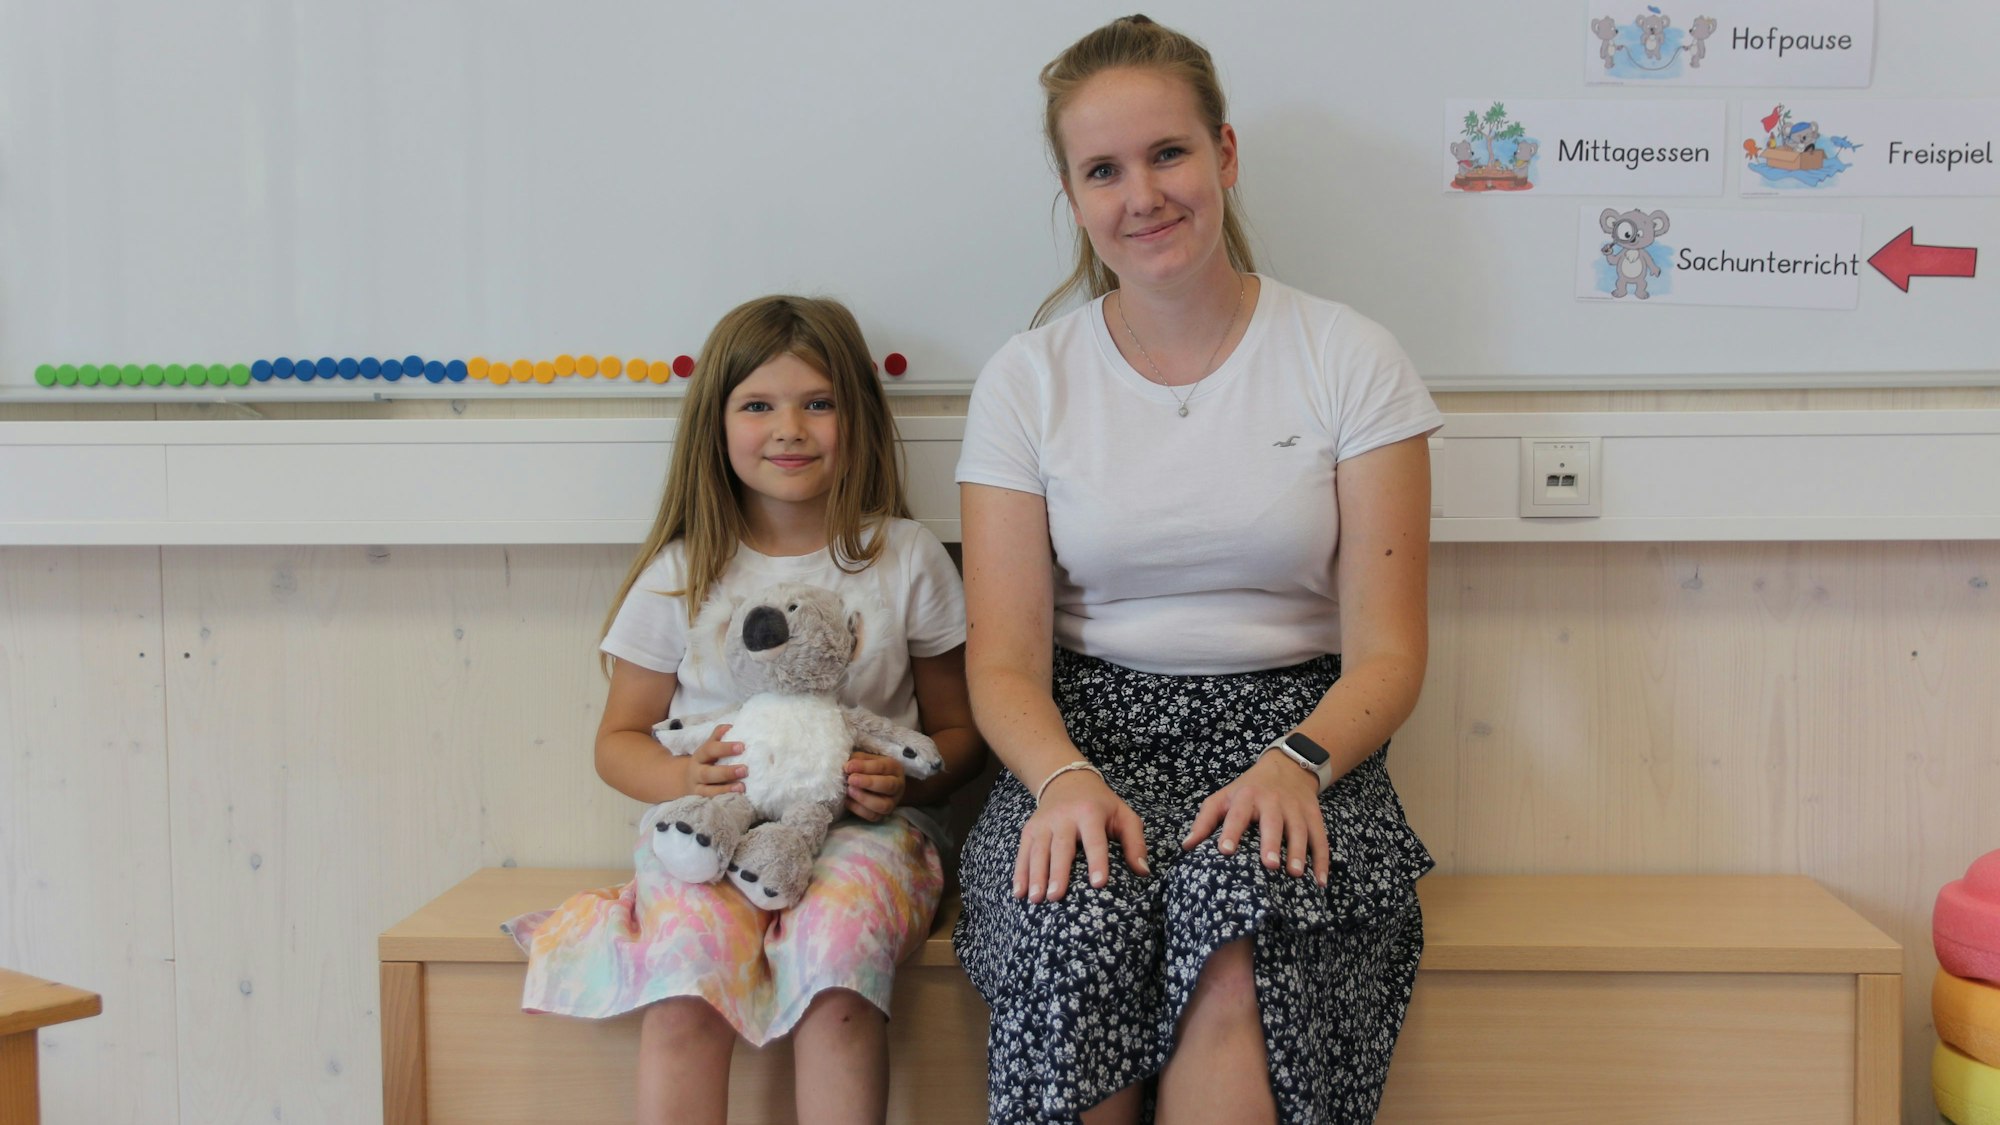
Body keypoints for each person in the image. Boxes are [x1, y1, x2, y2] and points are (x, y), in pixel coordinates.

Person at [952, 15, 1439, 1125]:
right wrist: (1061, 779)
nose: (1142, 195)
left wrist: (1296, 762)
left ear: (1222, 155)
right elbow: (1006, 662)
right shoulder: (1027, 381)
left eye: (1167, 154)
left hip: (1302, 741)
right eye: (1102, 170)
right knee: (1073, 913)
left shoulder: (1346, 357)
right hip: (1079, 741)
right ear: (1072, 197)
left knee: (1237, 931)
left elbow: (1390, 651)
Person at [507, 295, 983, 1125]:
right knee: (686, 981)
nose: (789, 427)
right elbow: (617, 739)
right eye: (758, 404)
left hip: (870, 833)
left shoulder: (904, 556)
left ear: (859, 416)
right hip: (714, 830)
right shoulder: (684, 570)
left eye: (819, 403)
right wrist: (679, 774)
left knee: (838, 972)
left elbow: (961, 735)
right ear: (716, 425)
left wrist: (903, 787)